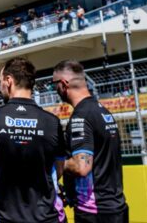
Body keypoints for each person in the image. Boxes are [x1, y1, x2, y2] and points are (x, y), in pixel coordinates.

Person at [0, 57, 67, 223]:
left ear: (9, 80)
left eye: (0, 81)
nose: (0, 87)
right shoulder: (52, 121)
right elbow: (59, 169)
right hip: (45, 216)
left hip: (6, 216)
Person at [52, 60, 128, 223]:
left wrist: (57, 163)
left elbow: (82, 166)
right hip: (116, 206)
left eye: (54, 84)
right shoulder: (102, 111)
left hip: (95, 211)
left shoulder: (81, 116)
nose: (55, 89)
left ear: (64, 84)